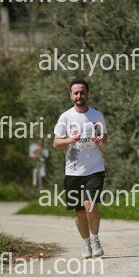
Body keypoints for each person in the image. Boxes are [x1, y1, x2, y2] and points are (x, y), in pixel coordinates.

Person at [53, 79, 108, 259]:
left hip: (95, 167)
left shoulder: (97, 115)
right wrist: (71, 140)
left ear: (87, 94)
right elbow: (56, 143)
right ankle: (86, 243)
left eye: (82, 92)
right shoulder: (65, 117)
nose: (79, 95)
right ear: (71, 96)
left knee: (90, 204)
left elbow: (103, 137)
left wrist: (101, 140)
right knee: (80, 211)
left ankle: (95, 239)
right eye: (76, 93)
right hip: (73, 171)